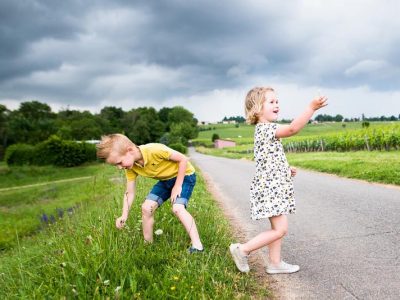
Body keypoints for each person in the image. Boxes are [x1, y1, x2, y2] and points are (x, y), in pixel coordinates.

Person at [229, 87, 327, 274]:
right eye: (271, 102)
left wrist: (285, 169)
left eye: (277, 101)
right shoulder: (266, 129)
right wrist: (311, 108)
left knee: (276, 228)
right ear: (257, 109)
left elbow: (266, 159)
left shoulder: (263, 130)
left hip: (271, 186)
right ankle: (243, 249)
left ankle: (275, 263)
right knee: (280, 230)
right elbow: (292, 128)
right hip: (270, 189)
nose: (277, 105)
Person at [96, 134, 204, 253]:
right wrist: (124, 215)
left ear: (130, 150)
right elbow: (129, 193)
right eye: (116, 165)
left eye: (120, 162)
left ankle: (197, 246)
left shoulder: (154, 150)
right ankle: (148, 245)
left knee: (177, 208)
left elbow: (183, 159)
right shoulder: (130, 168)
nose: (119, 168)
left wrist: (177, 186)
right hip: (165, 181)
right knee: (146, 208)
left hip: (184, 176)